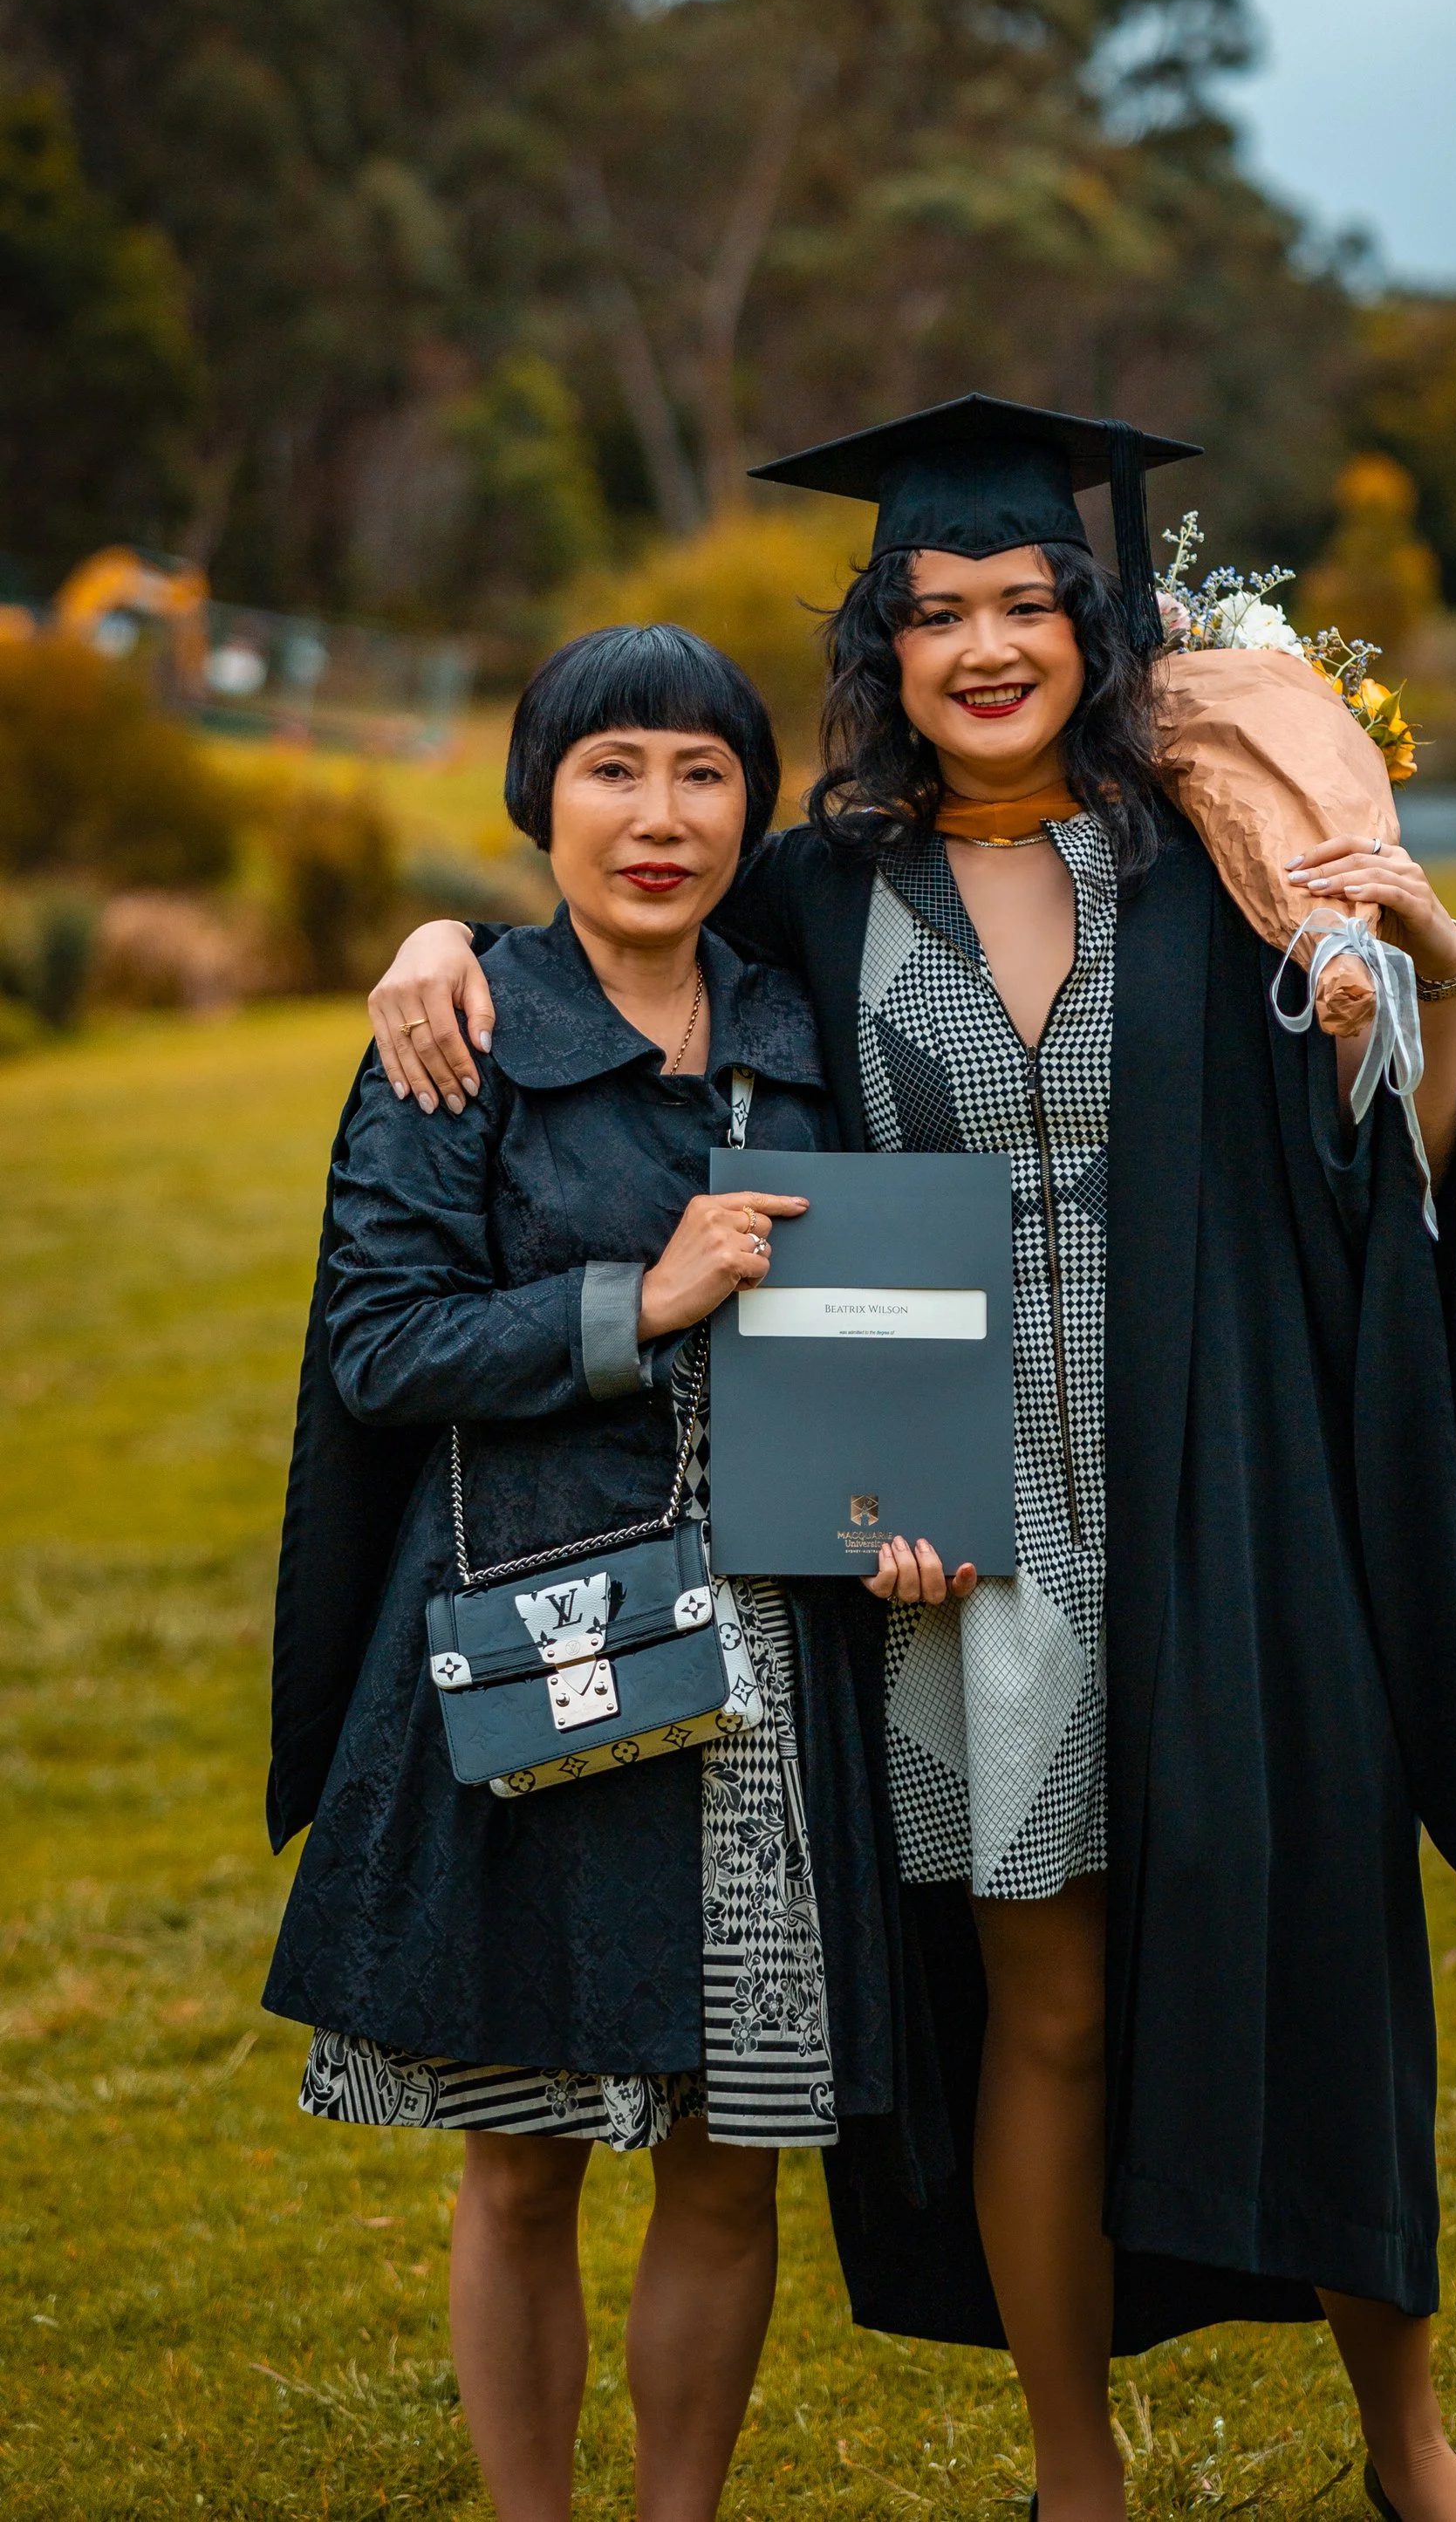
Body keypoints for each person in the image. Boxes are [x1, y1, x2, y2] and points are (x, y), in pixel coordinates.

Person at [371, 400, 1456, 2522]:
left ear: (1096, 627)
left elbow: (1385, 1164)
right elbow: (619, 969)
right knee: (1051, 2002)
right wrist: (442, 943)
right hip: (950, 1534)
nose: (984, 647)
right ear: (880, 653)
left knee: (1307, 1937)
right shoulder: (820, 892)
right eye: (935, 616)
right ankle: (1068, 2468)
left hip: (1221, 1478)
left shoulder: (1210, 858)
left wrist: (1439, 994)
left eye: (1023, 605)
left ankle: (1406, 2440)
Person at [266, 623, 903, 2522]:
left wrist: (905, 1508)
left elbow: (883, 1320)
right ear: (537, 797)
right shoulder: (449, 1039)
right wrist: (632, 1305)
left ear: (750, 810)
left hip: (771, 1664)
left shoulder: (801, 1037)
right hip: (526, 1637)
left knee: (727, 2152)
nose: (658, 815)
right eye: (611, 768)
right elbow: (379, 1348)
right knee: (523, 2152)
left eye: (703, 772)